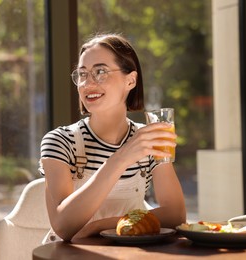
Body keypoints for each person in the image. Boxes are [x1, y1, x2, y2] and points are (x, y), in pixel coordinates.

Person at [39, 33, 186, 241]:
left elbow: (175, 215)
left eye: (100, 72)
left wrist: (101, 226)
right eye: (82, 74)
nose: (87, 83)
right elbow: (64, 226)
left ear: (131, 80)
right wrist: (122, 158)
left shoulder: (147, 139)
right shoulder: (60, 141)